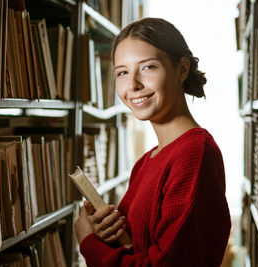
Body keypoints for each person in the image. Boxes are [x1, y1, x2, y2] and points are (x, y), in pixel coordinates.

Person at [74, 17, 231, 267]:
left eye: (148, 67)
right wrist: (105, 233)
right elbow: (134, 249)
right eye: (122, 72)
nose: (133, 84)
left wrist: (89, 243)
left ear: (181, 69)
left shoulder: (194, 156)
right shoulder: (145, 162)